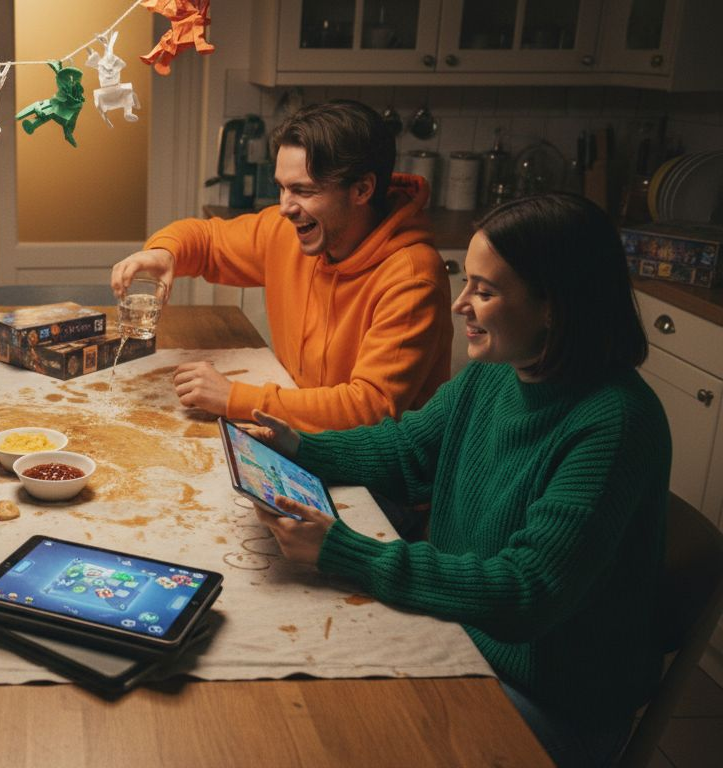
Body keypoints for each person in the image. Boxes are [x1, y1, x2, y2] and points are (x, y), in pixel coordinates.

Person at [248, 193, 668, 767]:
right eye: (466, 283)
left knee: (330, 736)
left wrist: (347, 553)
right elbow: (404, 450)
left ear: (555, 307)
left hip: (548, 702)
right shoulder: (496, 375)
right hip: (462, 635)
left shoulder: (614, 424)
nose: (460, 305)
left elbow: (526, 592)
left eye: (485, 291)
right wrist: (300, 447)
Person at [110, 99, 452, 432]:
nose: (285, 207)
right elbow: (209, 241)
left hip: (378, 475)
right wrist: (165, 253)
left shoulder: (412, 277)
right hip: (305, 436)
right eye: (282, 188)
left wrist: (234, 397)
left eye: (303, 190)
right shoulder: (291, 231)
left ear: (361, 189)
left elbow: (370, 408)